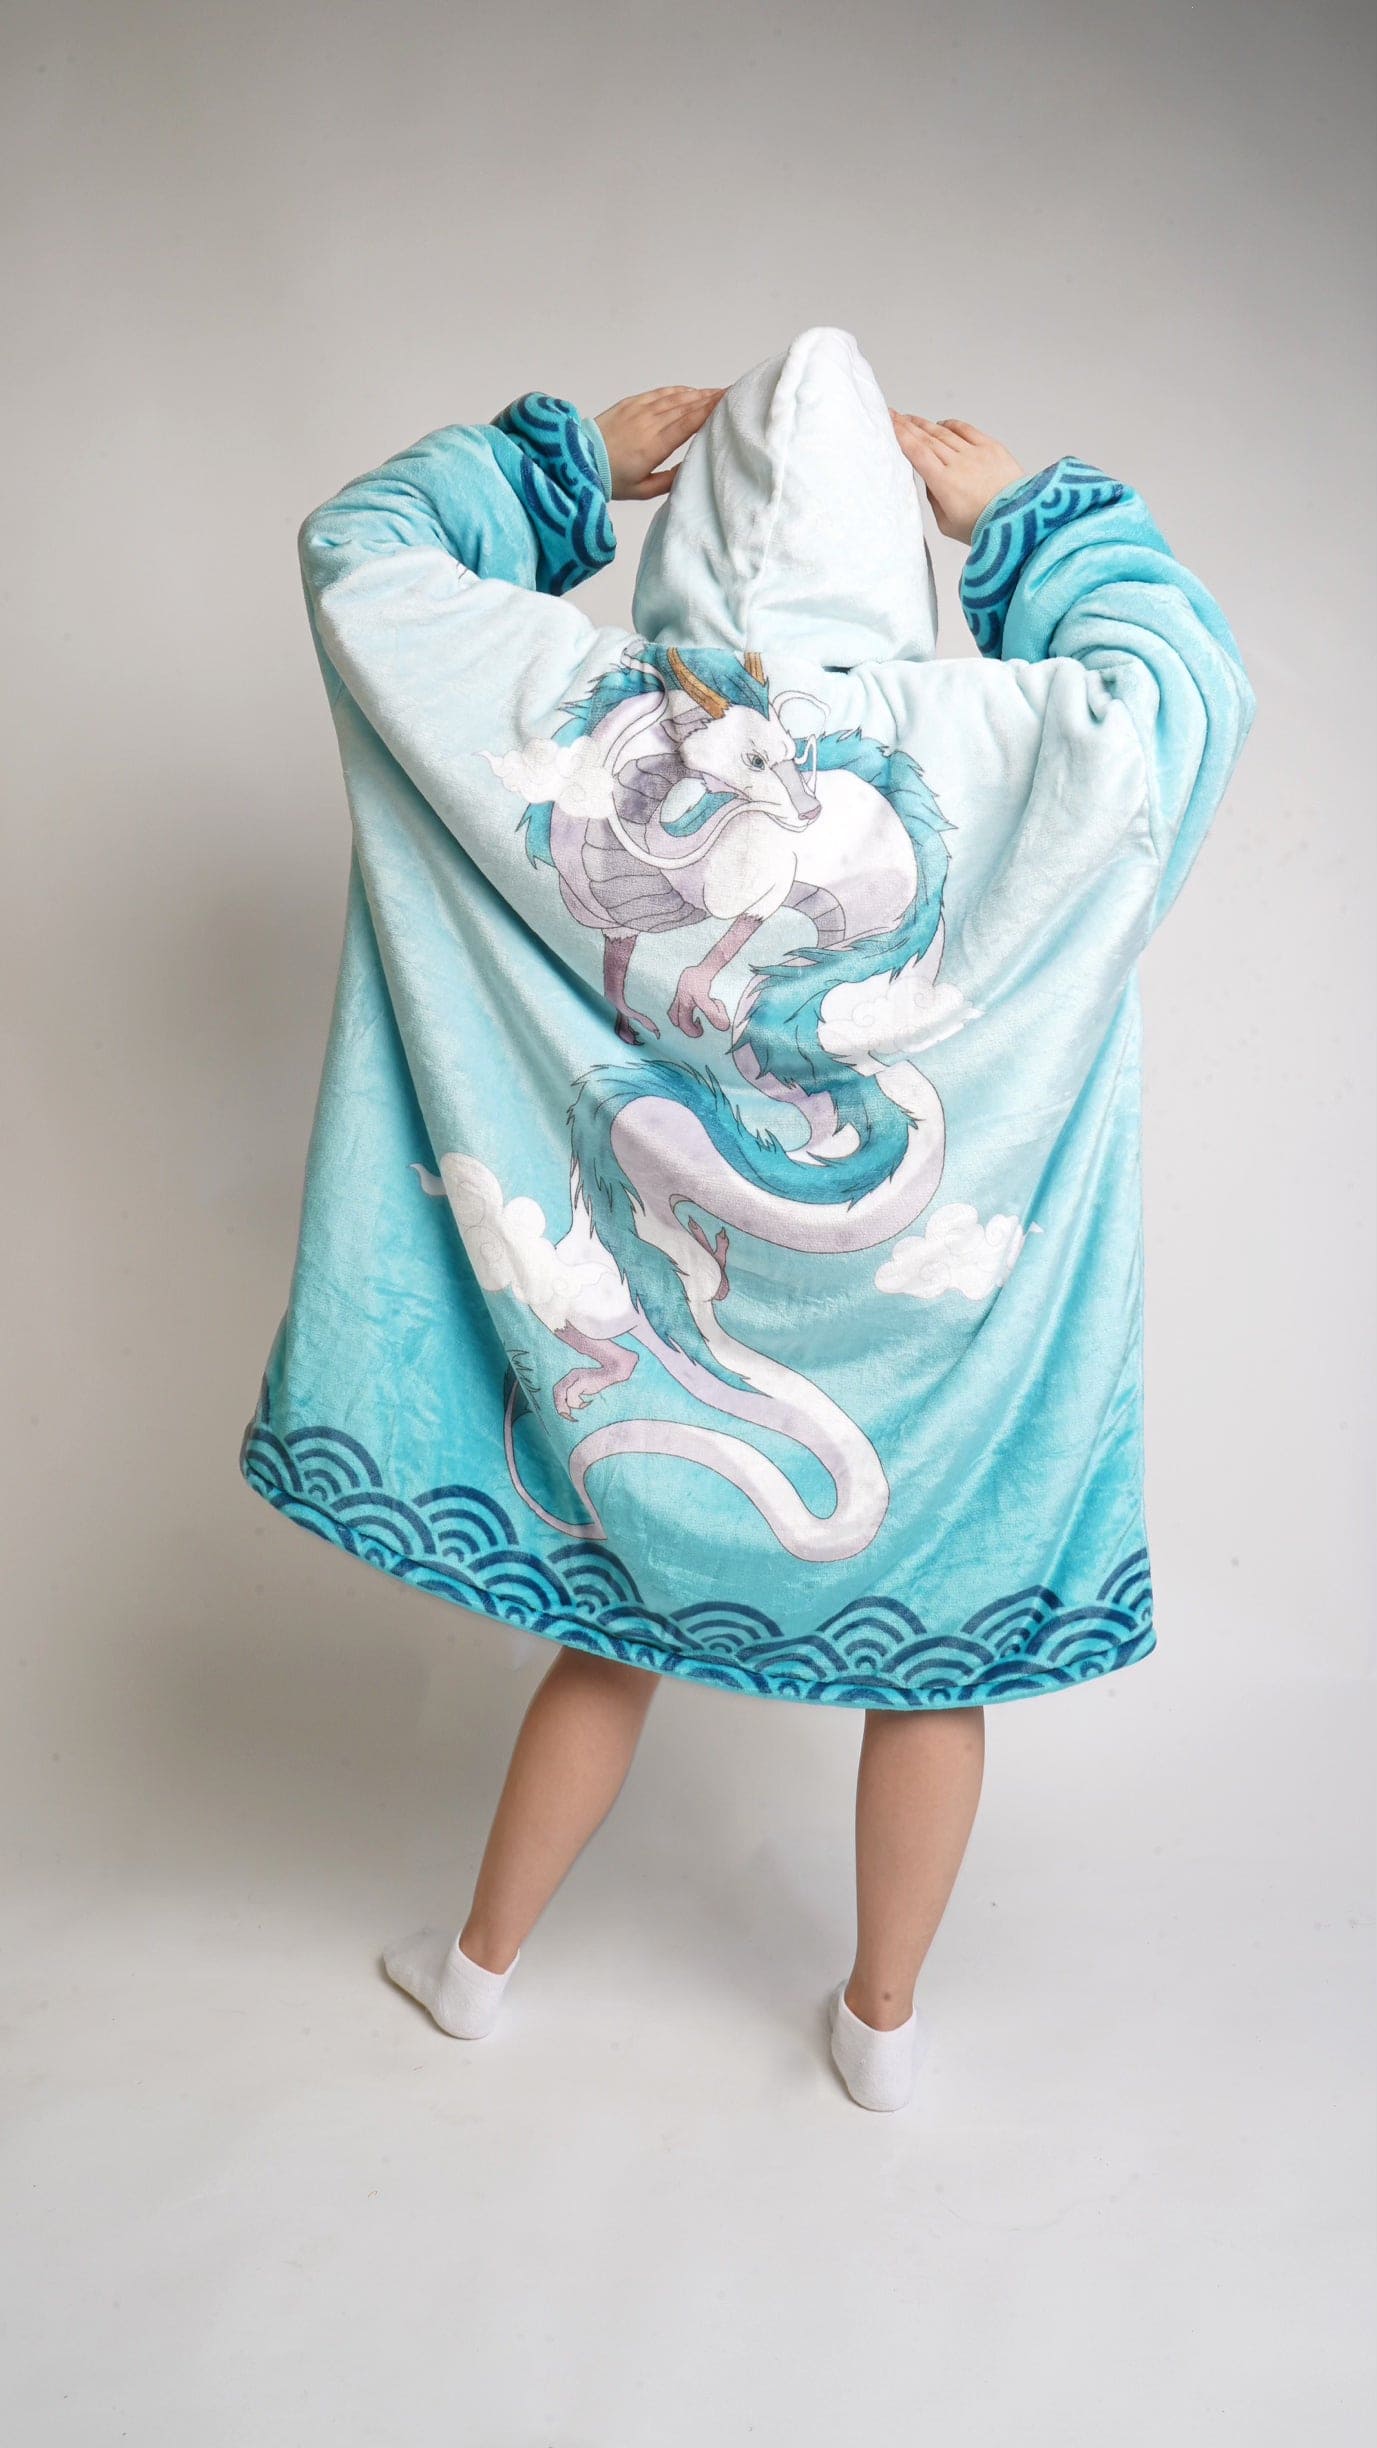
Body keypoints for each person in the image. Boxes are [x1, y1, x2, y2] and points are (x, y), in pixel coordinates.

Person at [241, 330, 1254, 2111]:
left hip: (656, 1294)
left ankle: (476, 1971)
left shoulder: (578, 718)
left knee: (616, 1612)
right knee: (934, 1657)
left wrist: (554, 464)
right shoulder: (1009, 740)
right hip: (933, 1353)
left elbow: (360, 554)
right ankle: (881, 2026)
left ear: (685, 526)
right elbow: (1185, 684)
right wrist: (1032, 518)